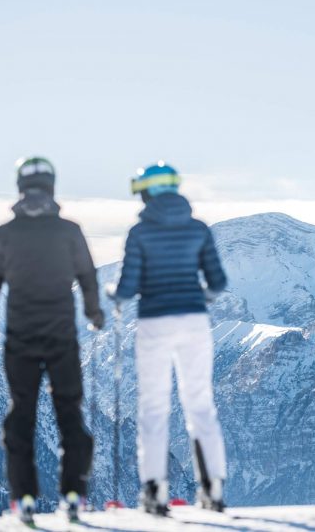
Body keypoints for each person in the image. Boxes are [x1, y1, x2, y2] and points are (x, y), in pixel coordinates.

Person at [0, 157, 104, 525]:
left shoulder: (4, 234)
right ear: (52, 187)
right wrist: (94, 314)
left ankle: (24, 498)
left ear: (21, 187)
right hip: (62, 338)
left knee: (21, 415)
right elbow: (87, 278)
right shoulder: (70, 231)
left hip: (20, 340)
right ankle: (73, 494)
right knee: (70, 415)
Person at [108, 161, 227, 515]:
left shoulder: (139, 233)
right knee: (200, 403)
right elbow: (218, 282)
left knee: (154, 407)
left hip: (155, 323)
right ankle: (214, 488)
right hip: (194, 321)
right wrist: (197, 297)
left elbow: (127, 288)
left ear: (146, 192)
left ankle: (155, 492)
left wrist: (114, 292)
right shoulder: (198, 229)